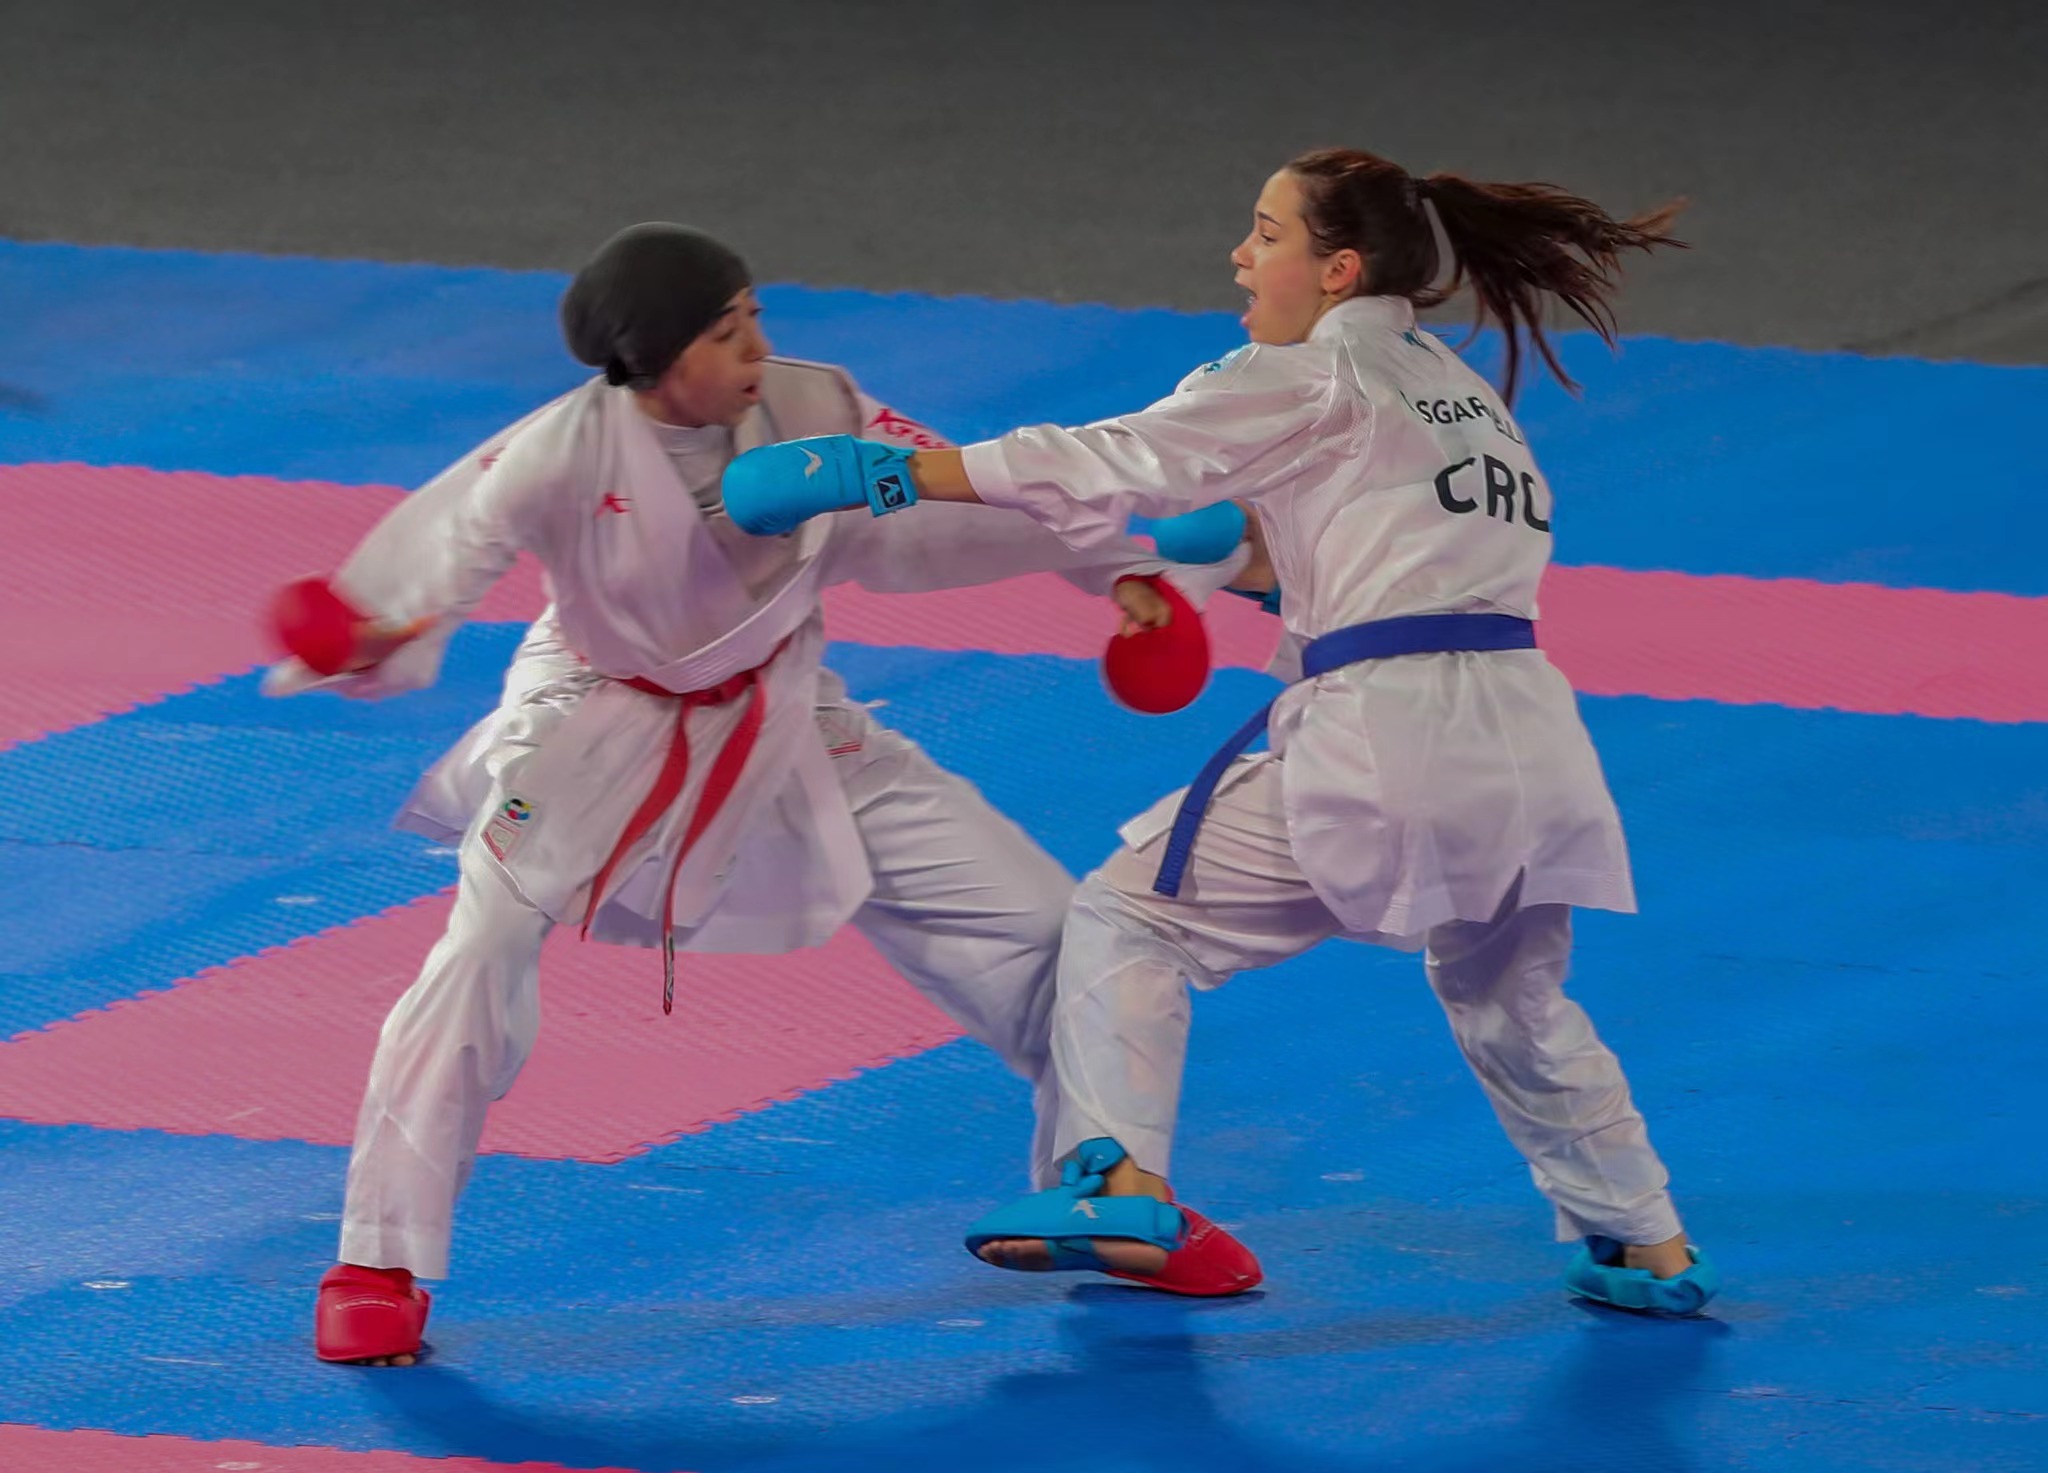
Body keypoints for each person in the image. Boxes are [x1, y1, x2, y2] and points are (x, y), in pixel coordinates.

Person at [718, 150, 1719, 1315]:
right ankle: (1643, 1240)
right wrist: (1224, 564)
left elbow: (1113, 457)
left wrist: (882, 475)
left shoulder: (1304, 371)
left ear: (1336, 271)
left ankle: (1115, 1181)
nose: (1240, 257)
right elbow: (1375, 554)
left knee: (1125, 916)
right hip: (1533, 748)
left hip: (1390, 737)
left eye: (1266, 233)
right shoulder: (1455, 393)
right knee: (1512, 1003)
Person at [265, 223, 1244, 1364]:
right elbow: (447, 547)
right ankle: (375, 1260)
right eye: (727, 334)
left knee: (1048, 932)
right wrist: (375, 627)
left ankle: (1107, 1194)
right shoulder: (556, 456)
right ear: (653, 359)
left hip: (784, 706)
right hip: (592, 717)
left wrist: (1117, 566)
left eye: (755, 319)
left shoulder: (814, 402)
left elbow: (952, 495)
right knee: (478, 948)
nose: (756, 350)